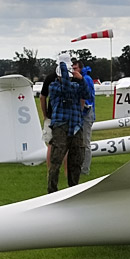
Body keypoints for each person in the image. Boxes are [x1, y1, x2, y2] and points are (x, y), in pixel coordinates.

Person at [47, 53, 87, 193]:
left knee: (76, 160)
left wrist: (82, 80)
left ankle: (73, 188)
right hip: (61, 126)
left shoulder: (75, 86)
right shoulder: (54, 87)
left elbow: (86, 94)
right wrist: (64, 65)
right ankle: (52, 190)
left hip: (76, 126)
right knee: (56, 160)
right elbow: (66, 89)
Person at [79, 64, 96, 176]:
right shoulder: (86, 78)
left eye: (75, 68)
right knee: (82, 142)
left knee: (86, 143)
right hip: (84, 114)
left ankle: (85, 170)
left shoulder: (86, 79)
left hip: (86, 113)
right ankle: (80, 167)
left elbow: (88, 97)